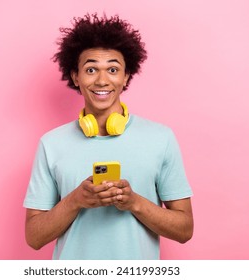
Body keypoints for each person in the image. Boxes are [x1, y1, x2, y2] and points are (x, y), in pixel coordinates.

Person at [23, 13, 194, 260]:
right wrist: (75, 201)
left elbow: (185, 230)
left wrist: (134, 202)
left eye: (113, 69)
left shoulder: (161, 138)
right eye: (91, 69)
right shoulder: (51, 144)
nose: (102, 80)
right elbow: (33, 237)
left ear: (125, 77)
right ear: (75, 77)